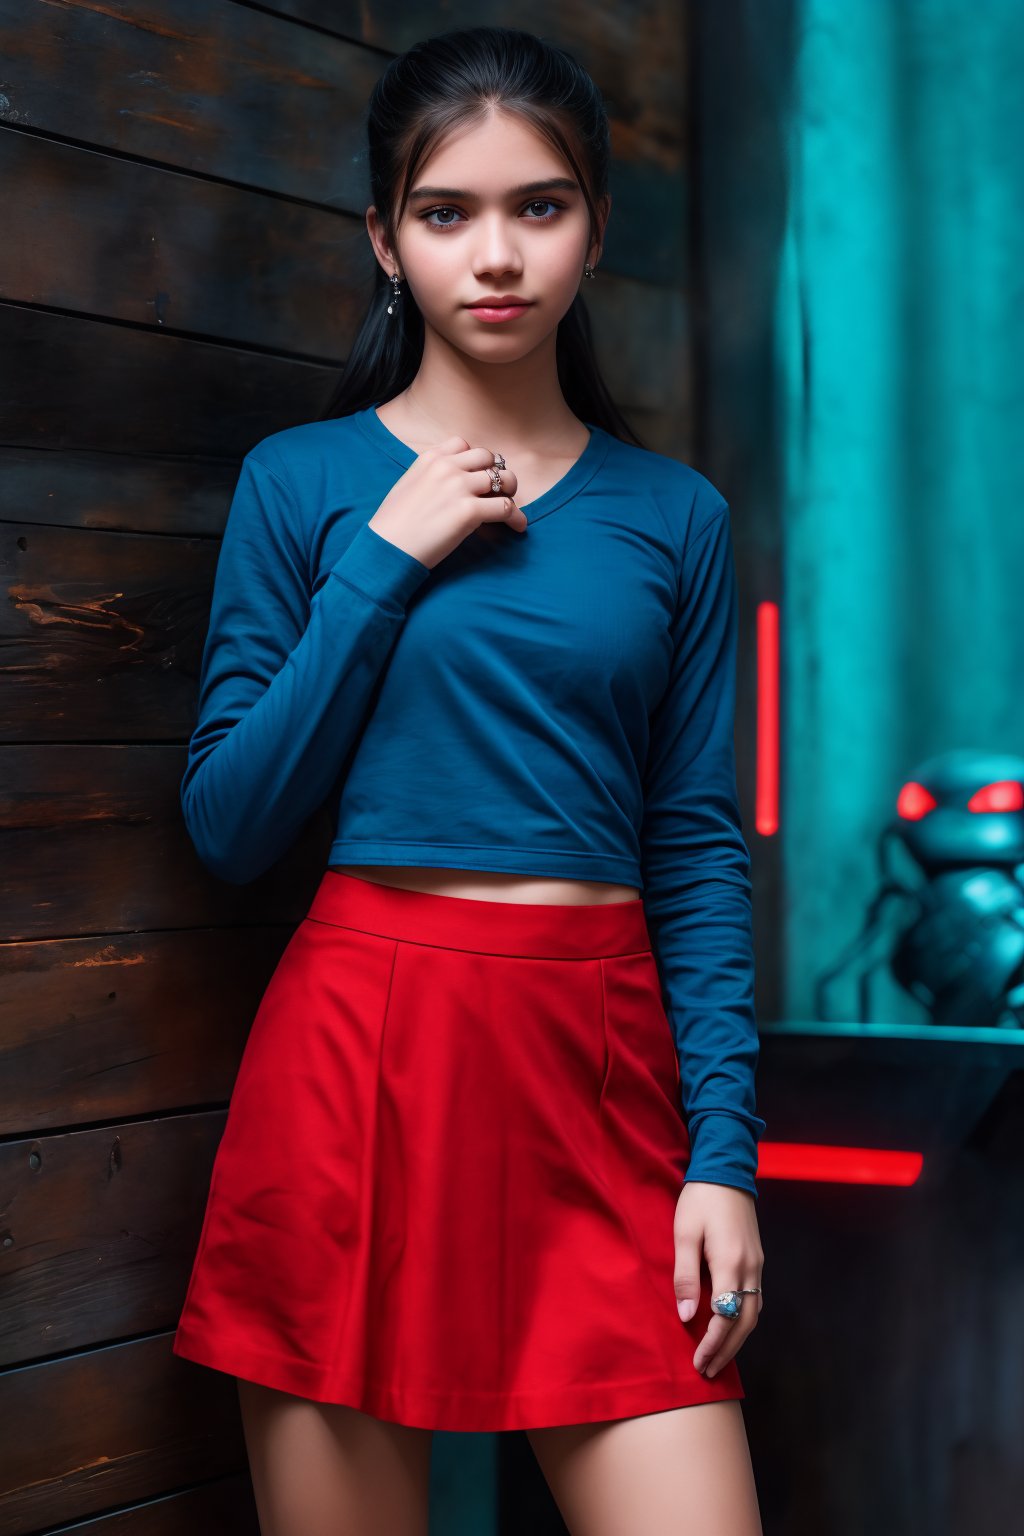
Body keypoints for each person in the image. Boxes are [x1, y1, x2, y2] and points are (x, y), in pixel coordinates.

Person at [172, 24, 766, 1536]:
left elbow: (696, 848)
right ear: (385, 238)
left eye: (539, 206)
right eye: (447, 213)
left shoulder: (673, 516)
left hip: (603, 1078)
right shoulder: (301, 486)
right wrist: (385, 557)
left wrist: (724, 1158)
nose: (494, 255)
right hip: (356, 1071)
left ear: (595, 230)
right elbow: (232, 823)